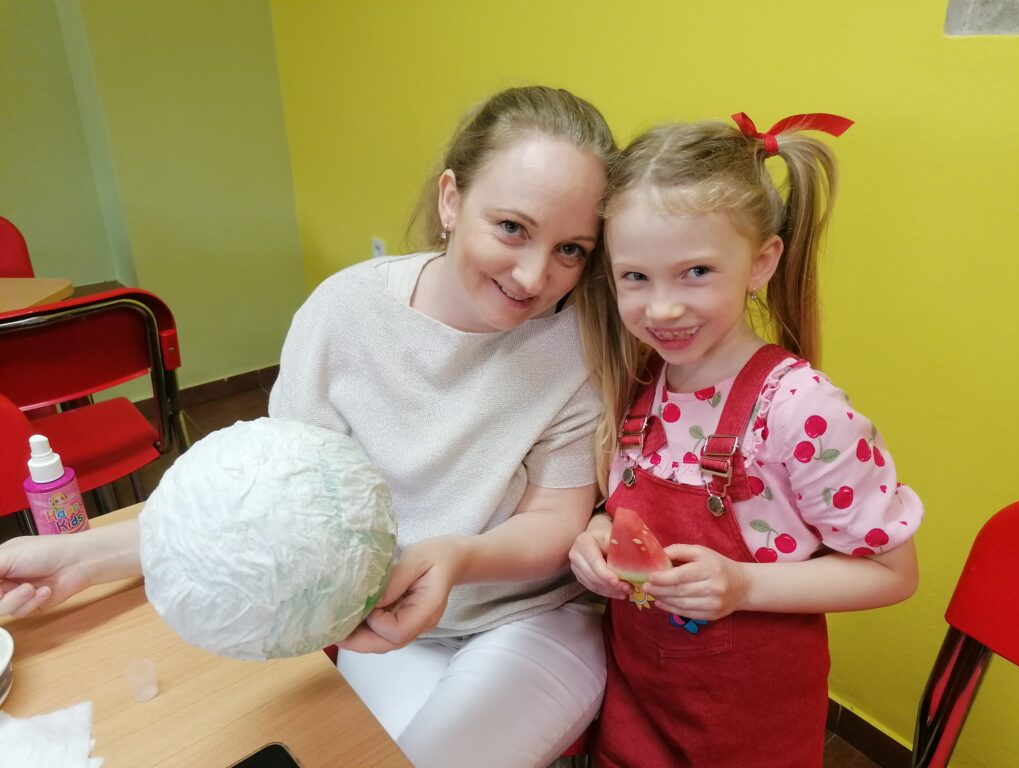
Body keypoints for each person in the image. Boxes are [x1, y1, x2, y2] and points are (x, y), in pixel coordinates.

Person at [0, 85, 618, 768]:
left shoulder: (576, 347)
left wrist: (457, 558)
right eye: (512, 228)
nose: (534, 275)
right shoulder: (345, 311)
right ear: (451, 199)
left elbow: (555, 521)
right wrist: (82, 558)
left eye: (571, 250)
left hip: (534, 619)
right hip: (390, 617)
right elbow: (278, 509)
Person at [569, 112, 923, 767]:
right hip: (636, 711)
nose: (662, 308)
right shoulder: (638, 380)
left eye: (696, 271)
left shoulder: (802, 411)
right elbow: (620, 510)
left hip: (750, 733)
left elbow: (893, 575)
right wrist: (596, 535)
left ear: (761, 263)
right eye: (635, 277)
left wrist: (743, 585)